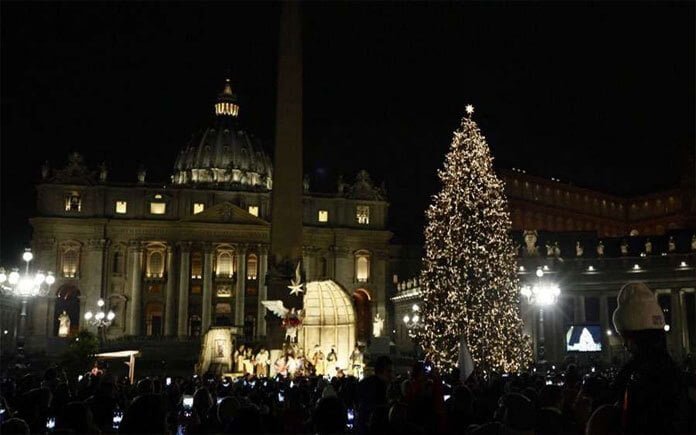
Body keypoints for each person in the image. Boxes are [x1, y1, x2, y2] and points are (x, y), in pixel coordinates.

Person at [611, 282, 693, 433]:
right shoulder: (673, 372)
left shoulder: (638, 377)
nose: (624, 345)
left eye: (625, 338)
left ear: (636, 338)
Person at [356, 356, 393, 435]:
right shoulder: (377, 387)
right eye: (389, 371)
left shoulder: (367, 383)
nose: (391, 375)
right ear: (381, 371)